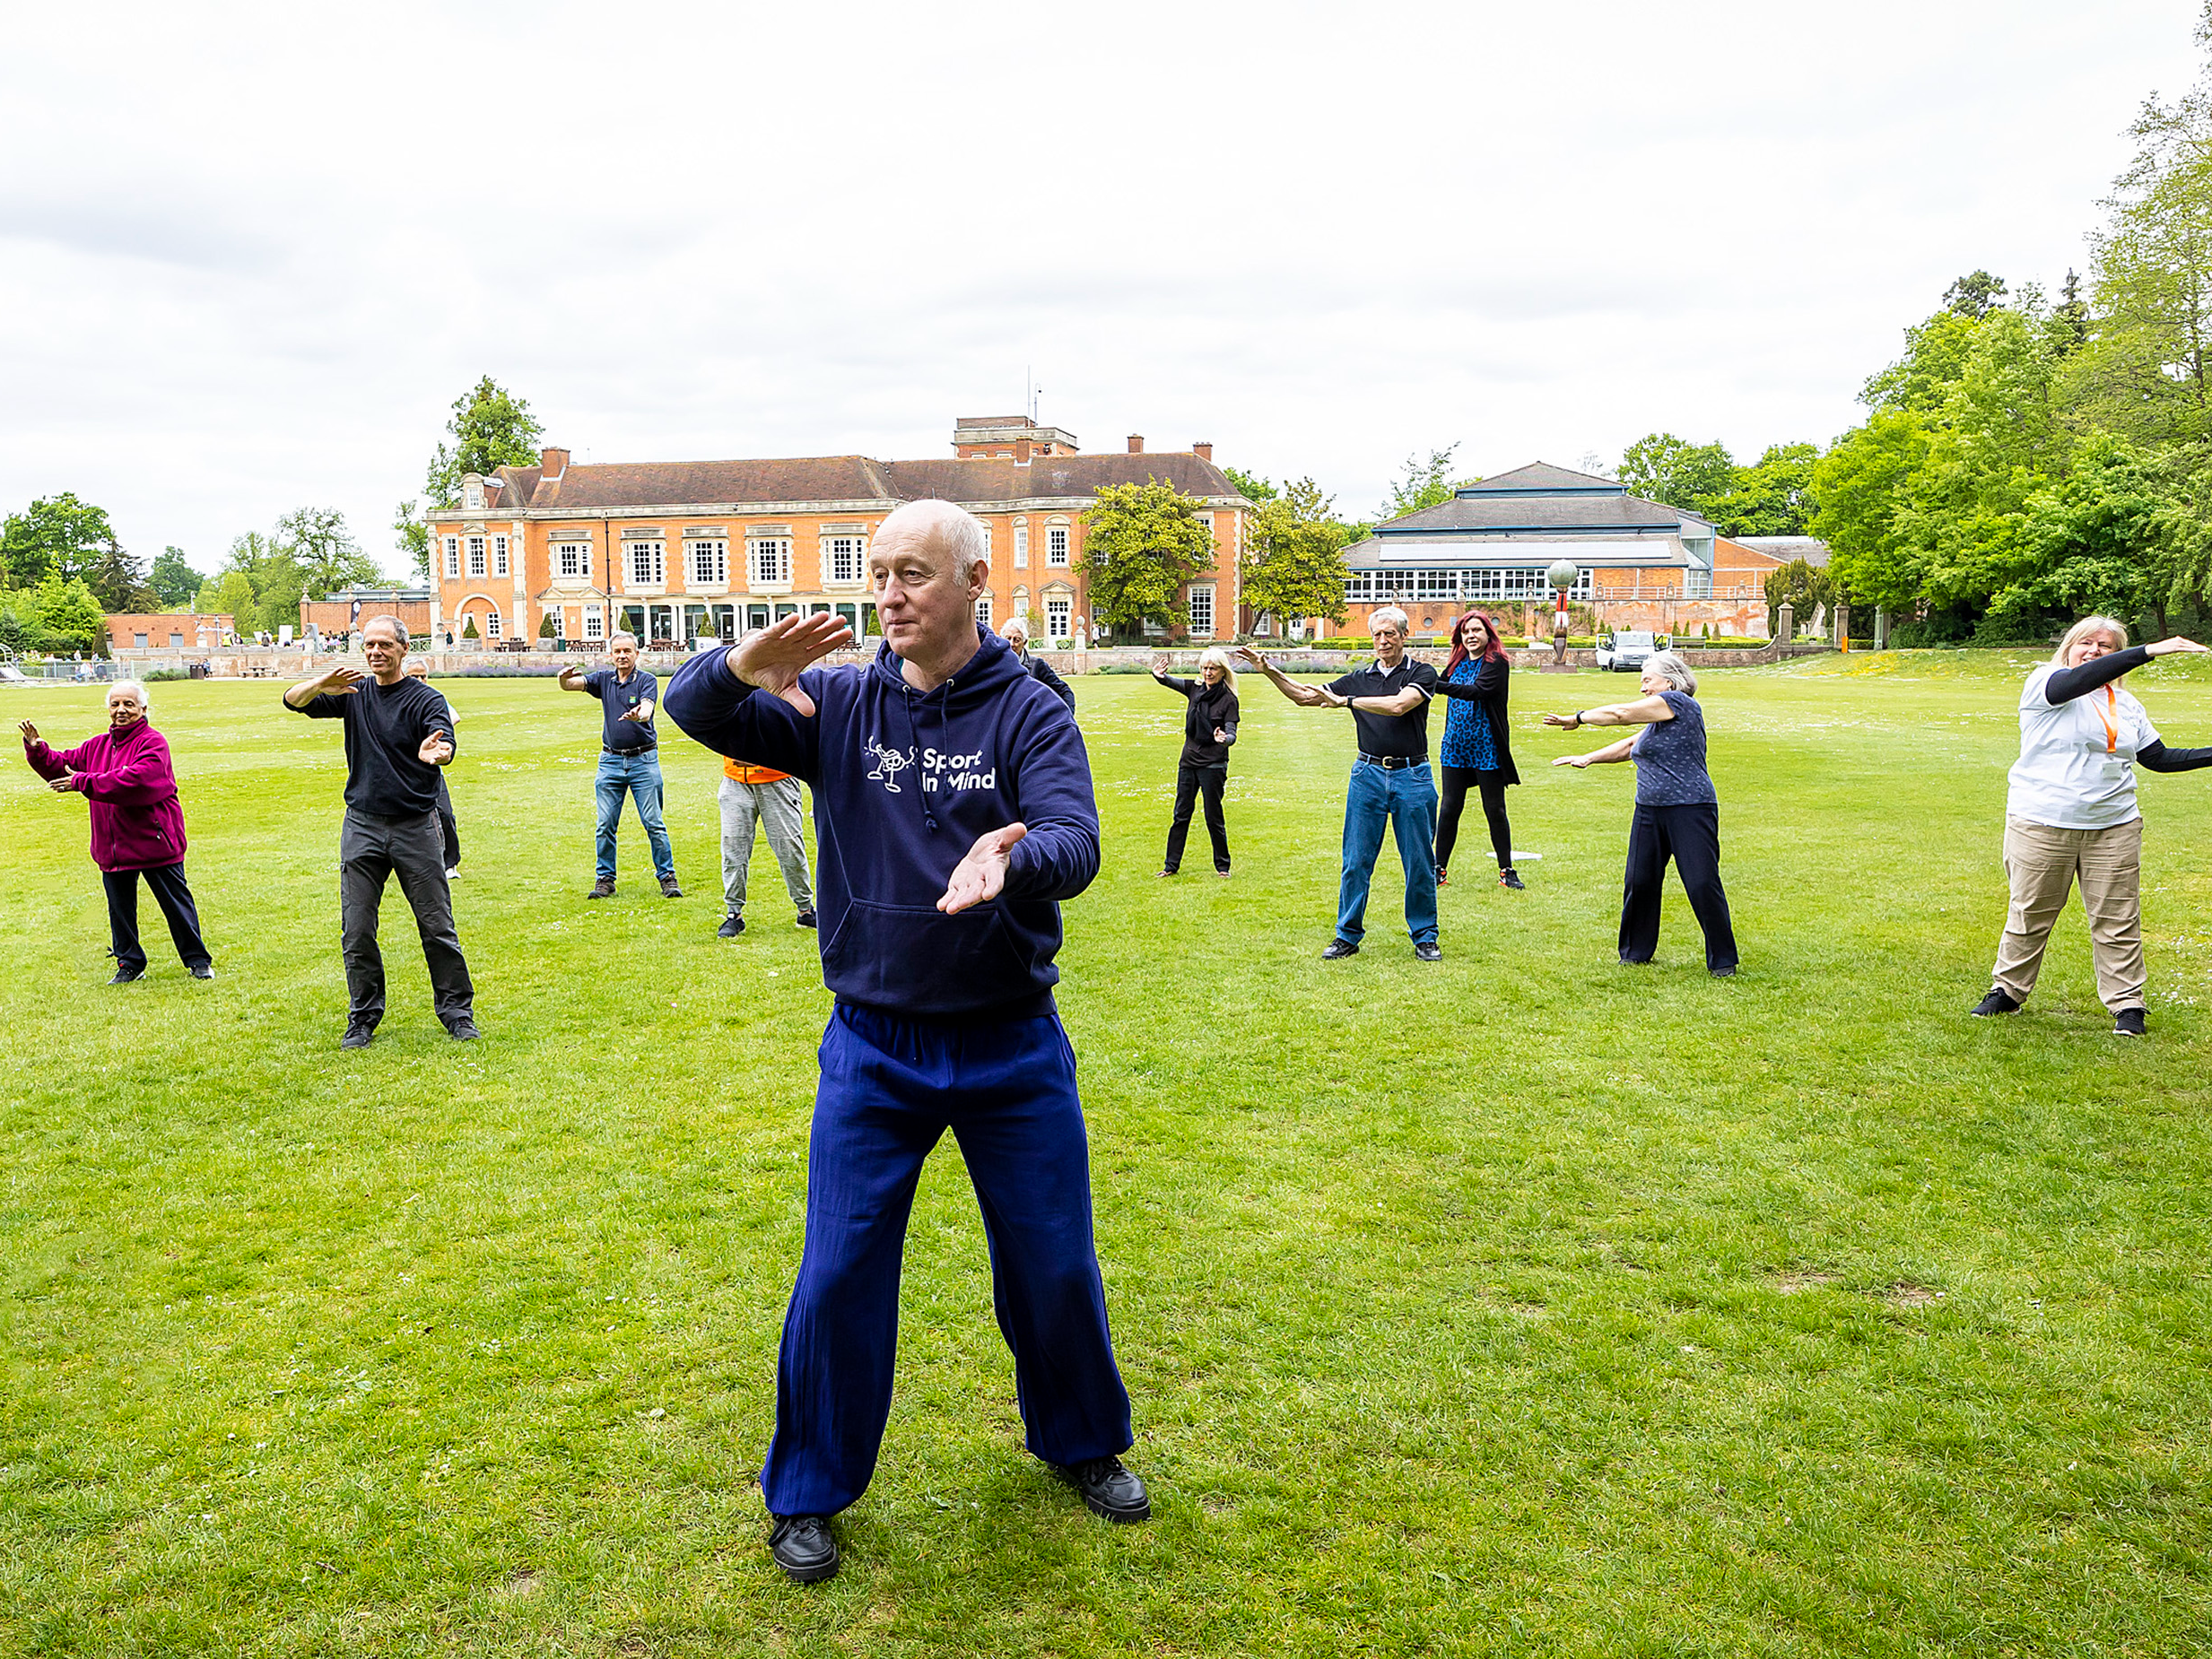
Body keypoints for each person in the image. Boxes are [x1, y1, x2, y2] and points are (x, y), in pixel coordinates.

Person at [665, 499, 1145, 1585]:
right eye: (879, 572)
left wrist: (1012, 857)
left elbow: (1075, 838)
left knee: (1053, 1258)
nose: (889, 593)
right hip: (873, 1046)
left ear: (978, 580)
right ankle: (806, 1491)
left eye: (915, 573)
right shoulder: (835, 699)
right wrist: (738, 662)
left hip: (1011, 1042)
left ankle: (1082, 1440)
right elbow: (698, 713)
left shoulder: (1030, 709)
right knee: (837, 1269)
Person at [1969, 617, 2212, 1035]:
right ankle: (2007, 991)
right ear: (2070, 646)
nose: (2097, 651)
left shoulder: (2127, 705)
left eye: (2108, 646)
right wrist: (2149, 651)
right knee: (2030, 913)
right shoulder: (2046, 682)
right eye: (2089, 643)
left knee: (2117, 919)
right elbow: (2073, 683)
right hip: (2043, 821)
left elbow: (2158, 758)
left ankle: (2128, 1005)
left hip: (2114, 825)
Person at [283, 615, 477, 1047]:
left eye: (384, 645)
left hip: (415, 827)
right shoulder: (352, 693)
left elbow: (443, 740)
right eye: (369, 644)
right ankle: (363, 1018)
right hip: (363, 826)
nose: (375, 652)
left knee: (436, 926)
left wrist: (438, 751)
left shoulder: (426, 698)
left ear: (403, 649)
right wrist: (322, 681)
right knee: (356, 929)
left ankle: (457, 1012)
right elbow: (292, 701)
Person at [1235, 605, 1442, 960]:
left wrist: (1346, 701)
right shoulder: (1360, 677)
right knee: (1356, 860)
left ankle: (1424, 936)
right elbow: (1305, 696)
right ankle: (1347, 935)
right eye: (1377, 634)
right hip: (1368, 776)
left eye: (1390, 633)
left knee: (1419, 861)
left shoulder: (1422, 673)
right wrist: (1269, 671)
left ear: (1404, 636)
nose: (1383, 641)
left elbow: (1398, 705)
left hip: (1413, 775)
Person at [1546, 649, 1737, 976]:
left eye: (1647, 680)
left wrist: (1578, 718)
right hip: (1649, 809)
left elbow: (1621, 713)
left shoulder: (1681, 704)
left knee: (1701, 882)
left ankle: (1723, 960)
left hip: (1689, 808)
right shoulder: (1657, 721)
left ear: (1671, 681)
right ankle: (1635, 952)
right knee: (1640, 880)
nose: (1643, 688)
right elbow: (1630, 746)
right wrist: (1588, 758)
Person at [20, 682, 214, 983]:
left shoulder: (153, 743)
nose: (121, 711)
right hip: (113, 845)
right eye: (115, 705)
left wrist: (83, 782)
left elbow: (137, 781)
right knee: (120, 910)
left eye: (128, 705)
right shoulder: (97, 746)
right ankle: (129, 964)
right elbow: (64, 768)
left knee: (176, 905)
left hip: (155, 841)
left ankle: (198, 961)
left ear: (143, 709)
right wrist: (38, 750)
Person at [559, 632, 681, 899]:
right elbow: (570, 685)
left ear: (636, 654)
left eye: (627, 650)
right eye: (617, 652)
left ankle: (667, 878)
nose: (622, 655)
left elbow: (648, 708)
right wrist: (562, 677)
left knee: (653, 823)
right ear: (611, 655)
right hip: (610, 762)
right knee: (605, 825)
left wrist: (639, 716)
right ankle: (605, 879)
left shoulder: (646, 680)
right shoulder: (603, 680)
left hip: (643, 761)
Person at [1428, 610, 1524, 890]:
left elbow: (1478, 691)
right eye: (1466, 631)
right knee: (1448, 808)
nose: (1471, 636)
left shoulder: (1496, 662)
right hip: (1455, 745)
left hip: (1486, 745)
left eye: (1476, 631)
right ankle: (1438, 869)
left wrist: (1438, 685)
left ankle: (1507, 871)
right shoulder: (1456, 662)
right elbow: (1436, 683)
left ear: (1488, 634)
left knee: (1494, 809)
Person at [1149, 647, 1239, 877]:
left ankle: (1222, 867)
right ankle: (1171, 866)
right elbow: (1170, 682)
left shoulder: (1229, 699)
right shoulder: (1194, 689)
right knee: (1181, 814)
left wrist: (1224, 739)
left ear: (1222, 671)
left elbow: (1231, 733)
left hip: (1213, 764)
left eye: (1213, 668)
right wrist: (1159, 675)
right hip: (1188, 761)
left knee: (1213, 816)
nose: (1208, 673)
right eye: (1205, 668)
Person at [718, 741, 817, 938]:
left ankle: (805, 910)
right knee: (733, 849)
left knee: (790, 847)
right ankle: (734, 913)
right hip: (735, 781)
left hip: (778, 780)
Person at [404, 656, 461, 878]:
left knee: (444, 813)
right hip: (401, 769)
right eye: (414, 676)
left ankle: (450, 863)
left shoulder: (432, 699)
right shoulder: (396, 697)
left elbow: (454, 717)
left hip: (430, 769)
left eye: (423, 676)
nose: (419, 680)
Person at [998, 615, 1075, 712]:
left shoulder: (1036, 665)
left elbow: (1064, 691)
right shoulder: (994, 665)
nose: (1011, 644)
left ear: (1024, 642)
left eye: (1017, 640)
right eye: (1008, 638)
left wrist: (1067, 717)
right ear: (1001, 639)